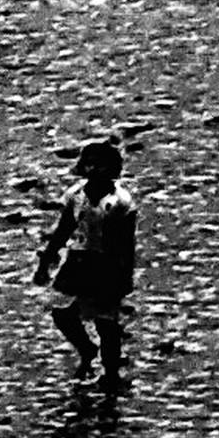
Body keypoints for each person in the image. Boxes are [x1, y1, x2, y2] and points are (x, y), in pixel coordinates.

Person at [34, 136, 140, 387]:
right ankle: (86, 350)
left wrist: (124, 275)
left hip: (107, 264)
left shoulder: (121, 203)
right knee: (63, 314)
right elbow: (63, 230)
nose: (94, 171)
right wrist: (46, 261)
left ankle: (111, 370)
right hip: (79, 260)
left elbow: (126, 243)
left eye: (100, 165)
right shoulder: (75, 196)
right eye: (90, 165)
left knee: (106, 320)